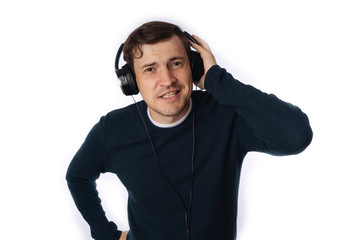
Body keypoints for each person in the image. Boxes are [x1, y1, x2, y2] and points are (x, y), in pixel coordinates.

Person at [66, 21, 313, 240]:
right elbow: (77, 177)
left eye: (176, 63)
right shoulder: (112, 130)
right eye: (150, 69)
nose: (167, 80)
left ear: (193, 67)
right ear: (131, 81)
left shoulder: (226, 114)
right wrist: (105, 235)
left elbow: (296, 136)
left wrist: (218, 81)